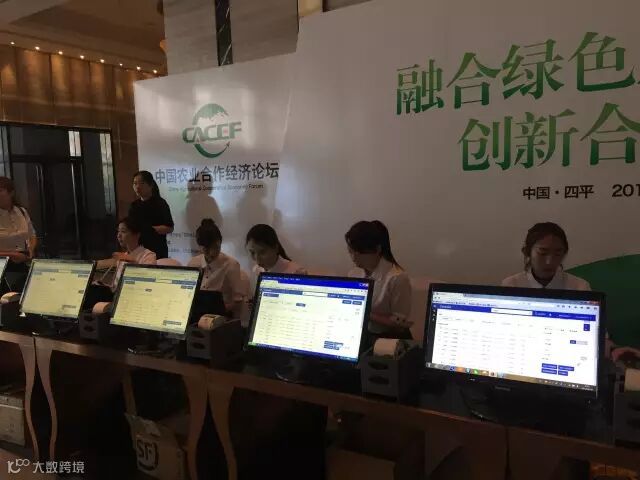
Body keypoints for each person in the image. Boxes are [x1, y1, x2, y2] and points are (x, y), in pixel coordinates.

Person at [345, 220, 412, 341]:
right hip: (360, 334)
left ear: (377, 249)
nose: (354, 258)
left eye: (360, 253)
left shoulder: (397, 278)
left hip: (388, 338)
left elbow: (400, 325)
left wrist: (365, 312)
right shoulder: (354, 273)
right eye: (351, 252)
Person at [502, 222, 590, 290]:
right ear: (527, 252)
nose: (549, 262)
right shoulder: (512, 285)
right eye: (542, 253)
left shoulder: (579, 287)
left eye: (557, 254)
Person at [188, 219, 244, 317]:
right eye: (206, 249)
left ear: (220, 243)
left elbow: (238, 301)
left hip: (222, 317)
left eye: (216, 247)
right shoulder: (193, 263)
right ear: (199, 247)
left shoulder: (231, 265)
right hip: (196, 316)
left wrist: (220, 310)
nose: (212, 253)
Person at [0, 177, 37, 289]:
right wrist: (11, 254)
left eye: (0, 190)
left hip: (24, 263)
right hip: (3, 267)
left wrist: (31, 249)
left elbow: (32, 235)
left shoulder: (21, 211)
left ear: (11, 193)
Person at [246, 224, 307, 292]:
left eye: (262, 252)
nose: (257, 259)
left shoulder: (297, 272)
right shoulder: (256, 270)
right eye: (252, 252)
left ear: (275, 248)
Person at [128, 171, 174, 259]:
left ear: (151, 185)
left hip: (157, 249)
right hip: (138, 250)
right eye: (135, 183)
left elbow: (169, 227)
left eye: (141, 183)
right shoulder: (134, 205)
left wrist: (149, 230)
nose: (137, 186)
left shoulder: (160, 203)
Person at [106, 217, 157, 291]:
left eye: (123, 231)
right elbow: (115, 286)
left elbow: (146, 284)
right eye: (118, 231)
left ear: (137, 234)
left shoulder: (148, 256)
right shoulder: (122, 256)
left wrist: (130, 260)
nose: (119, 235)